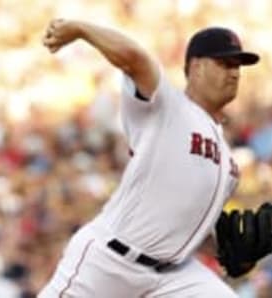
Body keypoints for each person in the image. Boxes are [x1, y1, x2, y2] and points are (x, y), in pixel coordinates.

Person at [39, 19, 259, 297]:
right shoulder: (167, 106)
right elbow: (134, 58)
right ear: (196, 66)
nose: (235, 73)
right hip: (111, 261)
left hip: (172, 277)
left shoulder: (228, 163)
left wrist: (234, 250)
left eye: (238, 66)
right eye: (225, 64)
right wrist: (82, 30)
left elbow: (187, 224)